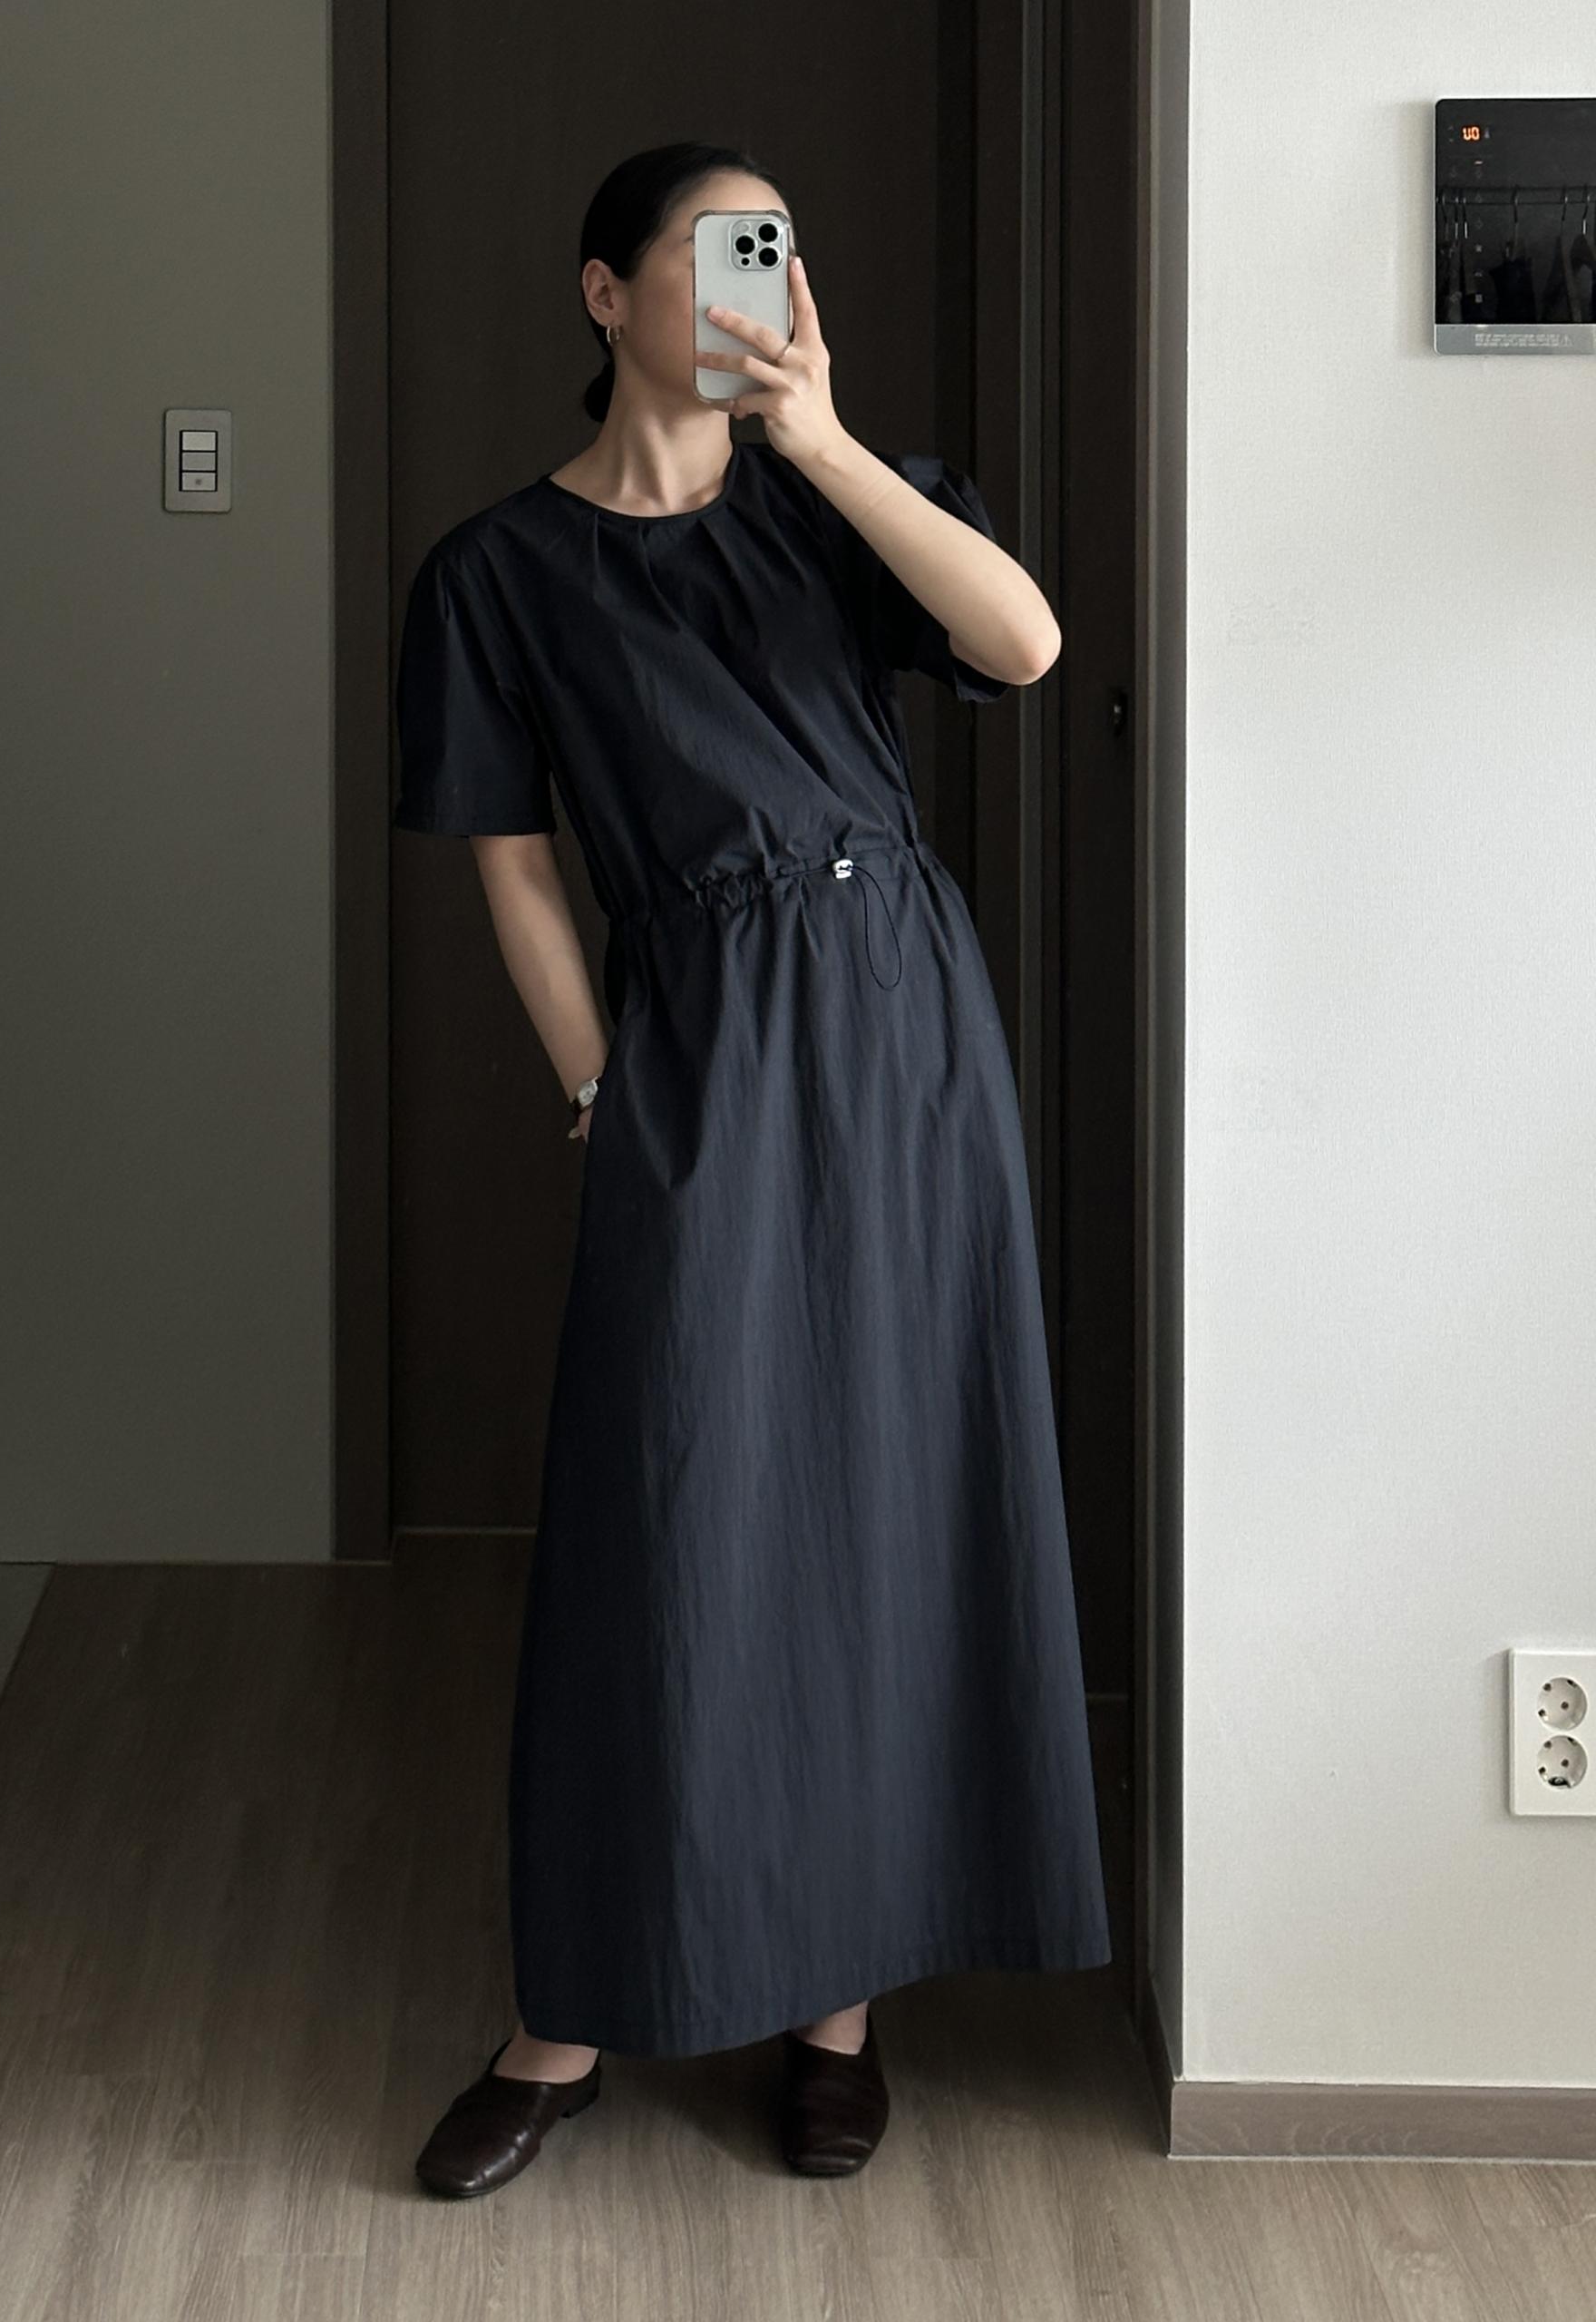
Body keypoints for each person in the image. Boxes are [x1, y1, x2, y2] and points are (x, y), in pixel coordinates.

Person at [398, 141, 1111, 2199]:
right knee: (668, 1519)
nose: (753, 282)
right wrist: (598, 1086)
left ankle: (839, 2012)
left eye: (774, 250)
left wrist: (827, 440)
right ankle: (565, 2023)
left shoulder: (827, 501)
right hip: (701, 1045)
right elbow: (513, 867)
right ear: (606, 290)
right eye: (718, 249)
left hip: (901, 1026)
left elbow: (1025, 644)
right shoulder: (497, 572)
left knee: (885, 1495)